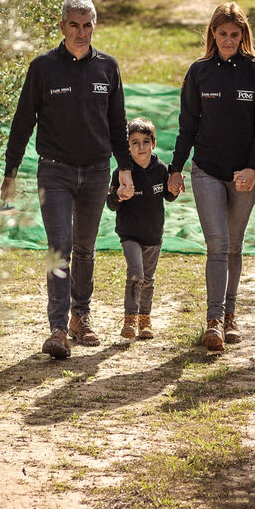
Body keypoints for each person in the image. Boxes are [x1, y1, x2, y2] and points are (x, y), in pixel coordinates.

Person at [1, 0, 133, 359]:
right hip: (54, 171)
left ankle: (80, 317)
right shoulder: (43, 68)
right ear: (62, 26)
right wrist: (11, 172)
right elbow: (22, 122)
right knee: (59, 247)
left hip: (96, 171)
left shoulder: (108, 67)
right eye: (74, 25)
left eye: (87, 25)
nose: (81, 32)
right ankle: (57, 329)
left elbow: (118, 123)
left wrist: (124, 169)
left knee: (85, 248)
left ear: (95, 27)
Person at [168, 2, 255, 353]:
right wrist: (176, 168)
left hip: (245, 174)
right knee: (217, 244)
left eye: (234, 34)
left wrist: (253, 168)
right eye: (222, 33)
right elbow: (187, 125)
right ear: (212, 34)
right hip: (207, 170)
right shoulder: (199, 72)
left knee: (234, 244)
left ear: (243, 35)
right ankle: (213, 321)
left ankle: (230, 316)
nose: (228, 40)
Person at [106, 117, 179, 341]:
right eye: (135, 142)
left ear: (153, 143)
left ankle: (144, 319)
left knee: (148, 278)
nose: (141, 147)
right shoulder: (122, 172)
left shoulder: (161, 169)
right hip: (129, 234)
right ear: (128, 146)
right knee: (136, 273)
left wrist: (174, 190)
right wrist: (119, 195)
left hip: (153, 235)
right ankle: (130, 319)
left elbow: (168, 196)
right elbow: (111, 203)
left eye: (146, 142)